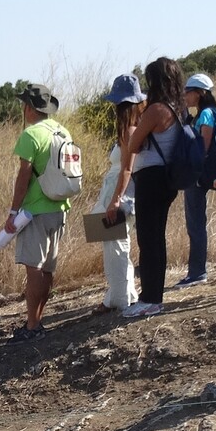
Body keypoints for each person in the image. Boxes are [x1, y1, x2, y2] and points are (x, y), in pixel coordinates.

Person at [105, 56, 187, 319]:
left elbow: (134, 144)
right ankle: (153, 296)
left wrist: (138, 132)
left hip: (151, 178)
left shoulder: (156, 110)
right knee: (155, 239)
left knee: (149, 240)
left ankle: (151, 298)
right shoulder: (178, 107)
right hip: (166, 177)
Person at [1, 82, 74, 342]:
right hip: (60, 207)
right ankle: (38, 321)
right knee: (47, 269)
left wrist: (13, 211)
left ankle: (32, 326)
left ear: (30, 108)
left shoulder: (31, 135)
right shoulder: (62, 131)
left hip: (35, 211)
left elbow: (24, 173)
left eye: (24, 104)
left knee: (33, 267)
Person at [90, 72, 144, 313]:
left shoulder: (130, 131)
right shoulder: (131, 128)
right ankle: (119, 295)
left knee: (117, 247)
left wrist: (115, 201)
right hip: (116, 192)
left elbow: (127, 169)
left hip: (120, 194)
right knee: (115, 245)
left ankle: (120, 298)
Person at [177, 72, 216, 288]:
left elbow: (203, 148)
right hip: (203, 175)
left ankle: (197, 272)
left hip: (197, 176)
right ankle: (197, 270)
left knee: (195, 223)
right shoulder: (213, 112)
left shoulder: (205, 115)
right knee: (197, 222)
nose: (185, 95)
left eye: (189, 91)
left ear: (200, 93)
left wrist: (192, 171)